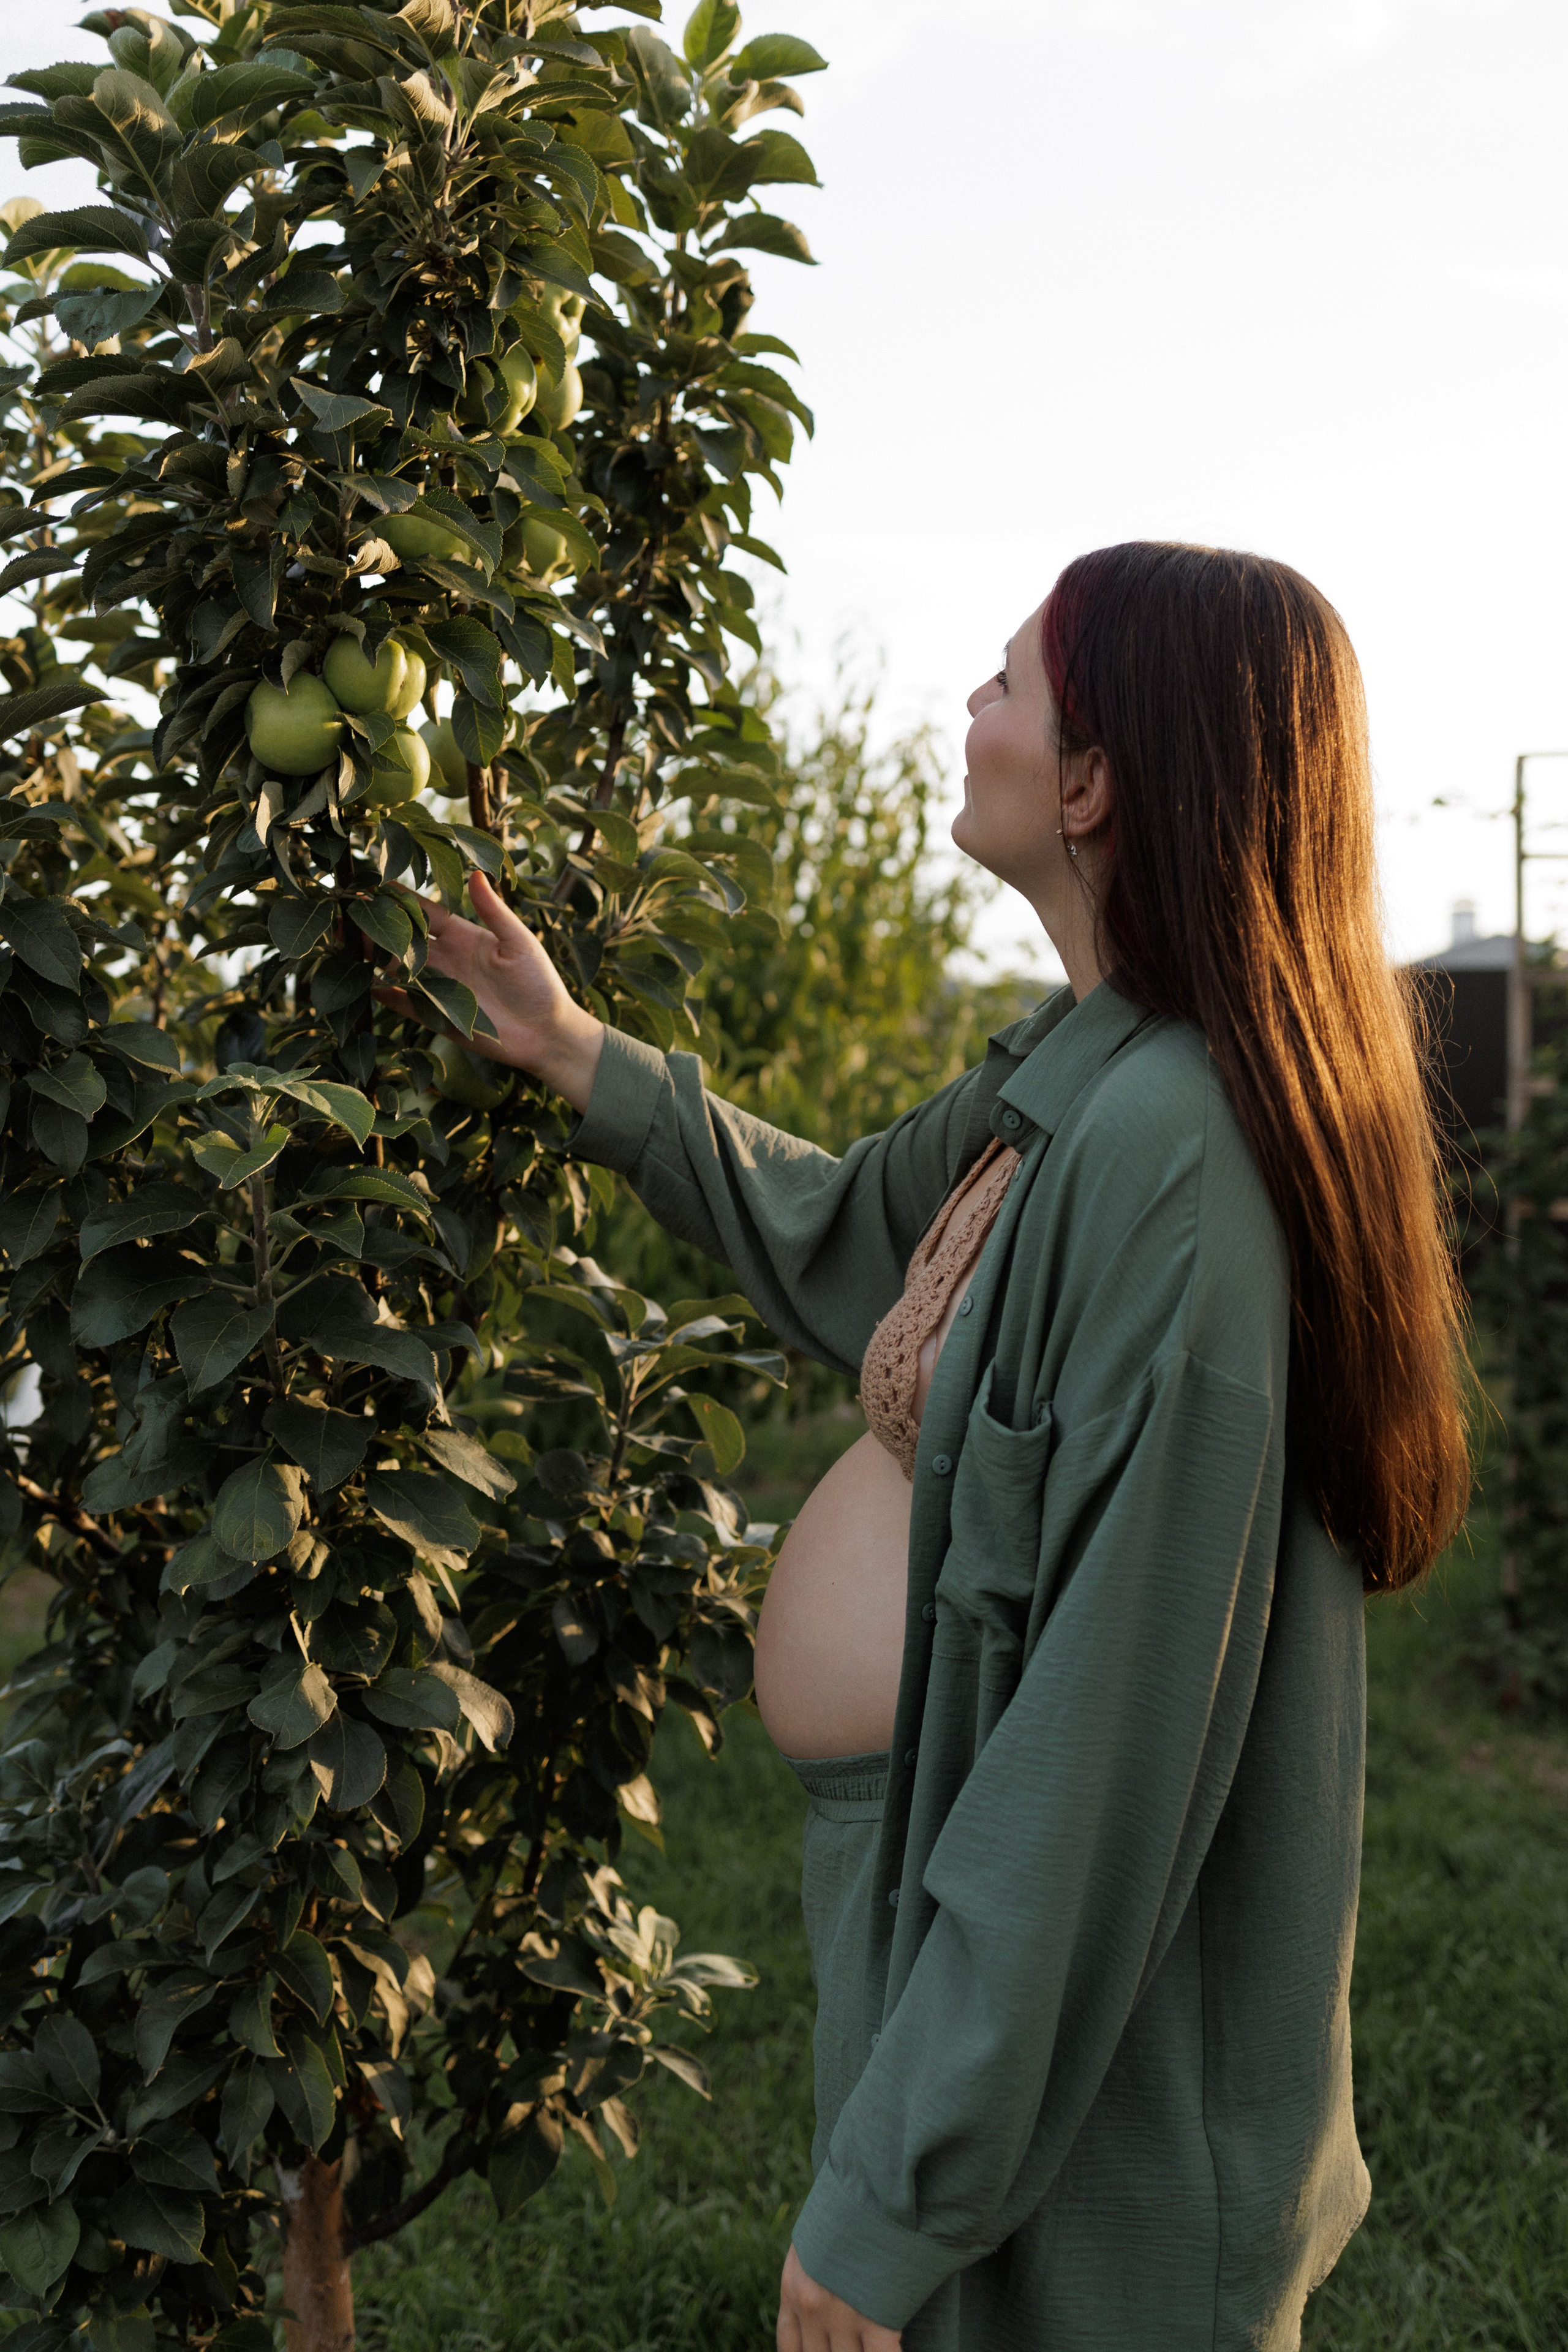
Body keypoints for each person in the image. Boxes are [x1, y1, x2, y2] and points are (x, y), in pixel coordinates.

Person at [383, 541, 1471, 2351]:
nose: (968, 717)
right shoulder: (1073, 1080)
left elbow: (1103, 1750)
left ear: (1099, 779)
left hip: (1094, 2101)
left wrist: (900, 2193)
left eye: (1006, 688)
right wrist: (583, 1055)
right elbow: (851, 1229)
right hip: (946, 1944)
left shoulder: (1175, 1165)